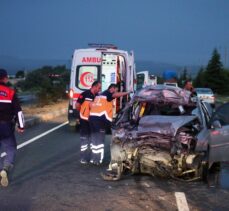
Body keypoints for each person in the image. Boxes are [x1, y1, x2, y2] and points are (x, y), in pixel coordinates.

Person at [89, 84, 130, 165]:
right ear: (112, 88)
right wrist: (127, 92)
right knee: (100, 140)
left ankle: (93, 158)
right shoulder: (107, 94)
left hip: (92, 118)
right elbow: (115, 95)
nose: (116, 92)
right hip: (100, 120)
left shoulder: (100, 95)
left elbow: (91, 104)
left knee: (94, 139)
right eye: (116, 90)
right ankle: (98, 160)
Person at [0, 69, 24, 187]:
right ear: (5, 78)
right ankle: (5, 169)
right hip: (5, 126)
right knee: (10, 148)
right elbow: (18, 112)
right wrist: (21, 126)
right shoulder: (10, 92)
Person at [75, 81, 101, 164]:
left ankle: (94, 158)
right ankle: (84, 158)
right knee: (85, 140)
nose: (99, 89)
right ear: (94, 87)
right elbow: (77, 105)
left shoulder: (97, 96)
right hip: (84, 120)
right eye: (99, 88)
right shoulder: (85, 94)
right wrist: (82, 113)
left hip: (94, 121)